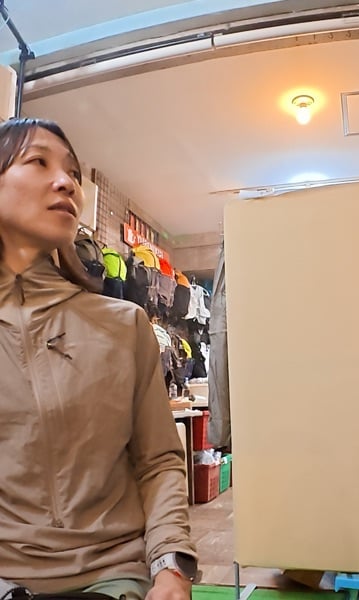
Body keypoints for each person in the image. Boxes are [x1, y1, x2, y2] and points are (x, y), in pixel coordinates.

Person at [0, 117, 197, 600]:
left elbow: (158, 461)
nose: (67, 182)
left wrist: (170, 567)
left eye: (72, 171)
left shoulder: (124, 325)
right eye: (38, 162)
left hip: (114, 575)